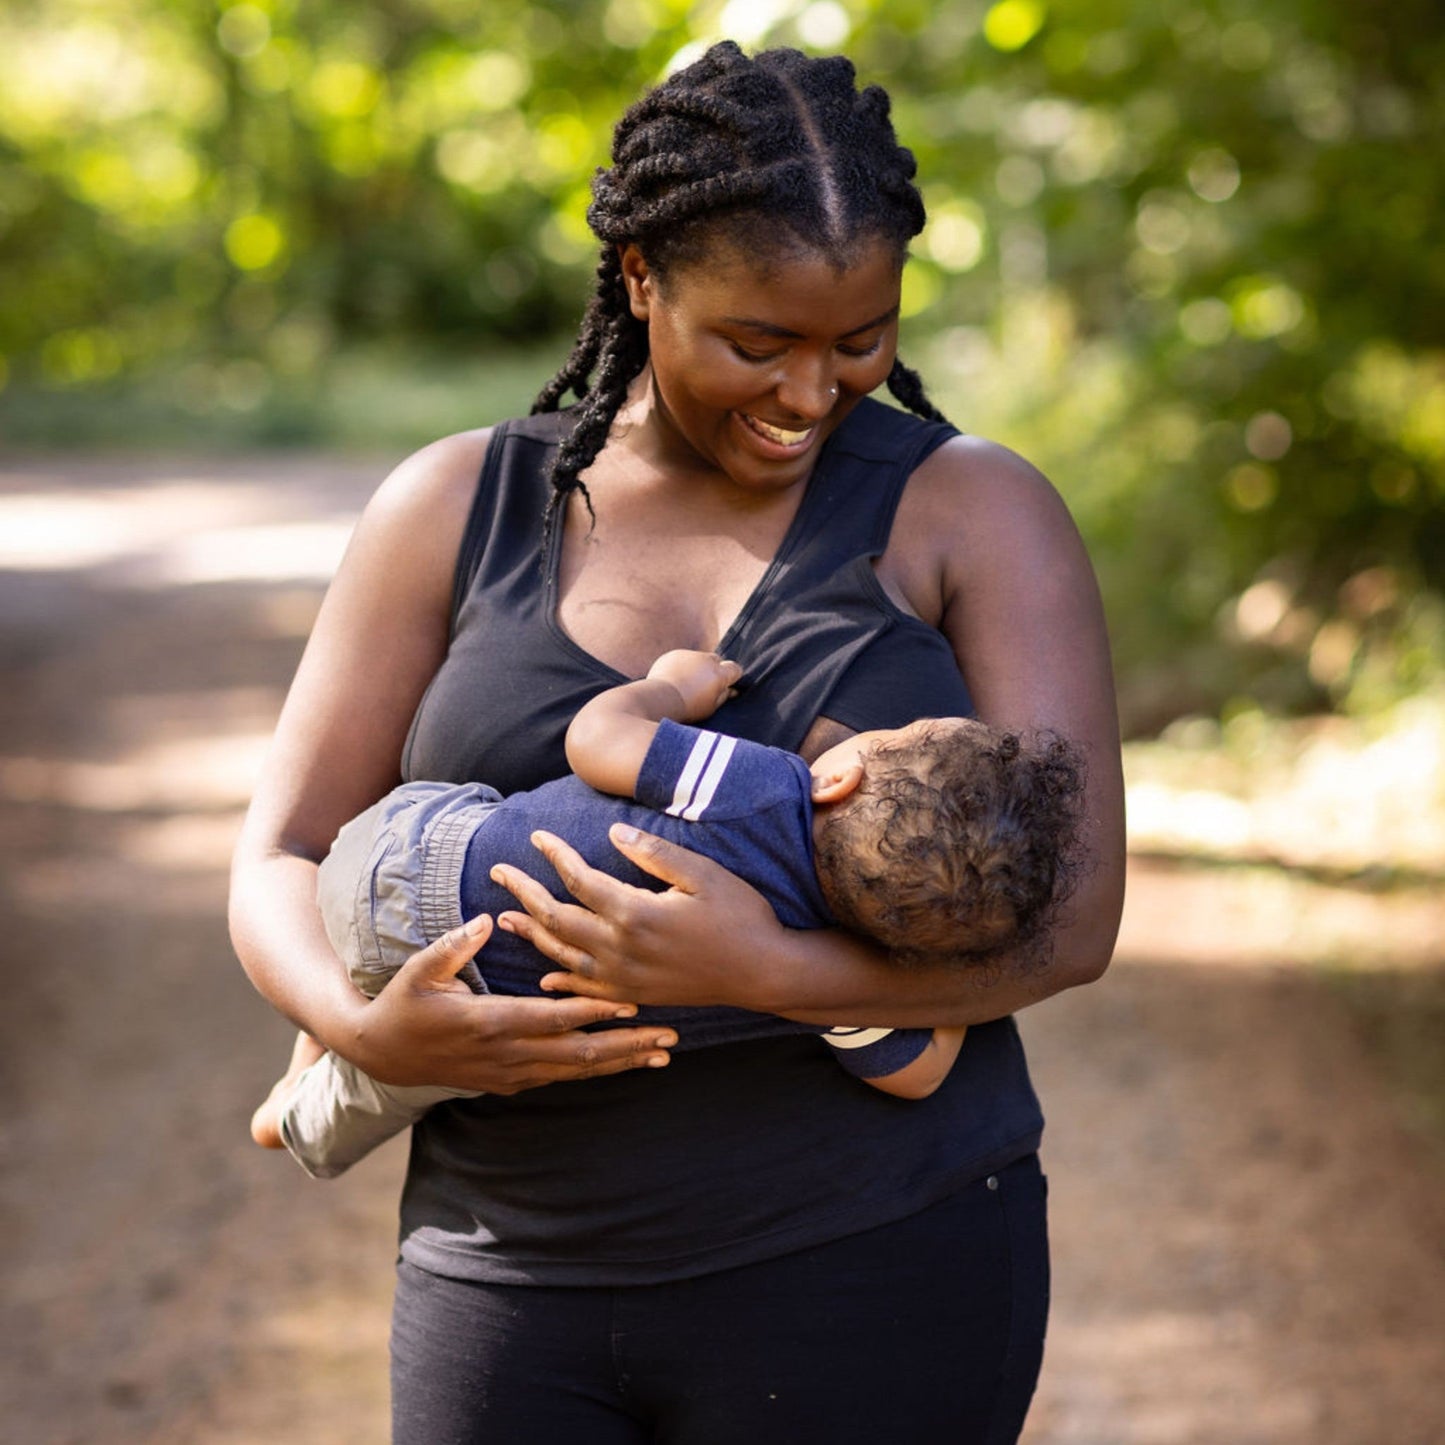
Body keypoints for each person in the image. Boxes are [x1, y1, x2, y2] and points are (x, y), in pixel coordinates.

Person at [229, 40, 1125, 1444]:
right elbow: (279, 851)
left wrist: (770, 972)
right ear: (639, 277)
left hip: (875, 1264)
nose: (811, 394)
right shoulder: (454, 505)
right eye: (756, 342)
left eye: (860, 340)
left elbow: (1070, 923)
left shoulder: (974, 514)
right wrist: (359, 1025)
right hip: (504, 1272)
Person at [250, 646, 1085, 1179]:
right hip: (477, 1016)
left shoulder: (765, 787)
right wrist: (935, 972)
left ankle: (331, 1006)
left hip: (399, 872)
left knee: (457, 808)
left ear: (839, 777)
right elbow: (918, 1073)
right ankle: (297, 1113)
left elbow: (597, 739)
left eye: (897, 729)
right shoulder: (828, 966)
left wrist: (671, 686)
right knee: (420, 1076)